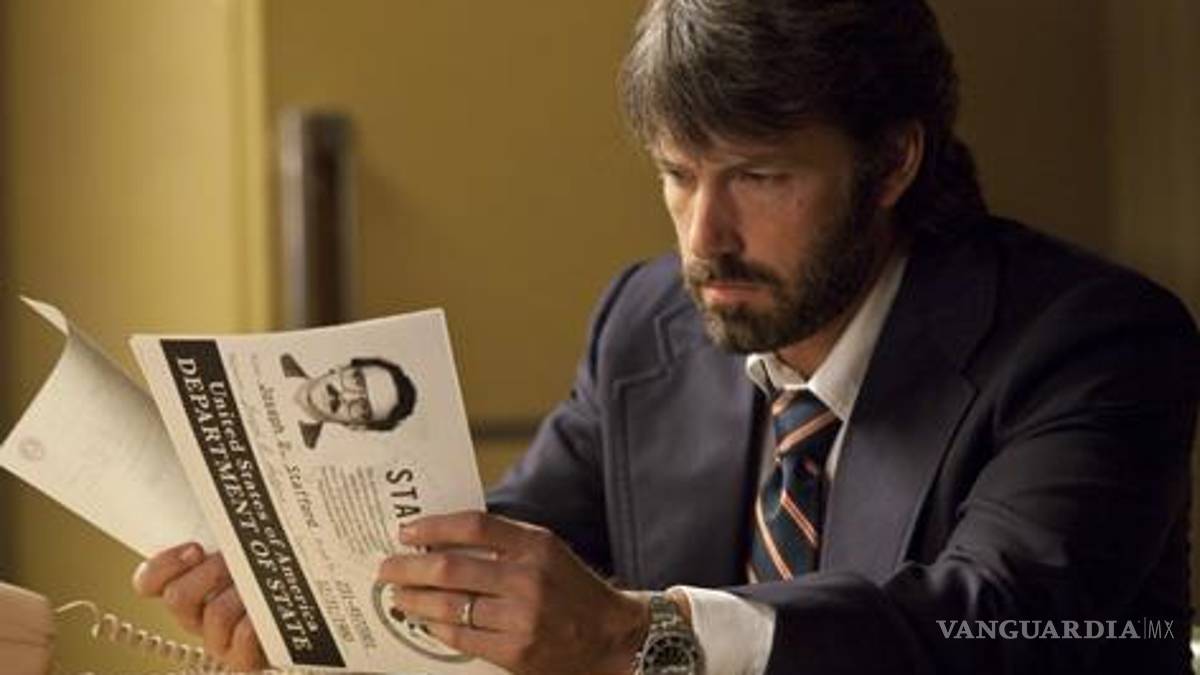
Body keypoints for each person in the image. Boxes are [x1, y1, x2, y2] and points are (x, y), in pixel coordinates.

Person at [132, 0, 1199, 673]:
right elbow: (522, 553)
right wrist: (322, 611)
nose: (704, 238)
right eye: (678, 175)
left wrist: (639, 633)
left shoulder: (1097, 341)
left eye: (760, 177)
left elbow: (993, 623)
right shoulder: (648, 321)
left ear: (892, 164)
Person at [280, 353, 418, 448]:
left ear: (357, 427)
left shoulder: (305, 452)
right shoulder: (281, 355)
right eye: (357, 380)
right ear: (342, 367)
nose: (345, 397)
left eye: (363, 408)